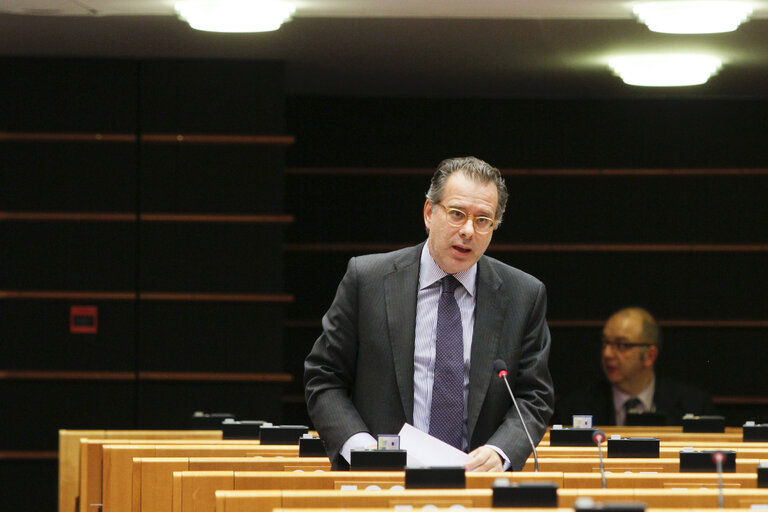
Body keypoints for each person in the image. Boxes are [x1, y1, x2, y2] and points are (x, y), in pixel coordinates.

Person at [304, 156, 554, 472]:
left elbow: (533, 396)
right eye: (457, 214)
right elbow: (324, 375)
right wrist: (361, 449)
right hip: (380, 479)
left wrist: (501, 451)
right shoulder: (368, 279)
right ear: (429, 213)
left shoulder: (523, 295)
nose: (467, 230)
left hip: (477, 484)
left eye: (482, 220)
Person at [552, 307, 717, 426]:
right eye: (605, 343)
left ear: (649, 355)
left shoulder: (694, 406)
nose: (608, 353)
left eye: (622, 345)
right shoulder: (572, 408)